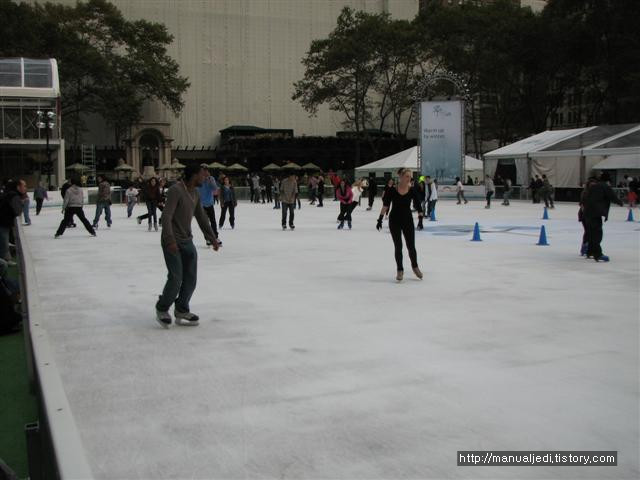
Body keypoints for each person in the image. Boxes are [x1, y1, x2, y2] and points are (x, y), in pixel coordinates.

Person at [155, 165, 220, 328]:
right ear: (194, 175)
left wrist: (212, 238)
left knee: (191, 278)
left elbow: (202, 217)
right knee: (176, 278)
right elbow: (166, 217)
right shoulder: (176, 190)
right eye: (203, 176)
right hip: (172, 240)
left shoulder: (195, 193)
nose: (206, 179)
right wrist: (169, 240)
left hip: (187, 240)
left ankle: (182, 309)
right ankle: (162, 308)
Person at [376, 168, 424, 281]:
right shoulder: (392, 190)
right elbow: (386, 205)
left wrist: (420, 218)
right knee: (398, 247)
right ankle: (400, 270)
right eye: (407, 176)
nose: (409, 178)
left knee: (411, 246)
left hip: (407, 221)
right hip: (394, 221)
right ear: (401, 177)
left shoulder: (412, 190)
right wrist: (380, 219)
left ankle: (415, 267)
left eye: (410, 176)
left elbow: (418, 205)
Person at [582, 172, 623, 262]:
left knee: (591, 233)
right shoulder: (605, 186)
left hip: (587, 213)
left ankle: (590, 252)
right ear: (608, 180)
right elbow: (613, 197)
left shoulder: (594, 186)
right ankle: (598, 254)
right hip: (595, 213)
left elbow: (586, 197)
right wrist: (620, 203)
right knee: (597, 234)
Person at [0, 179, 26, 261]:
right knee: (4, 241)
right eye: (24, 186)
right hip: (3, 222)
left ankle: (6, 258)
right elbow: (18, 211)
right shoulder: (14, 196)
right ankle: (5, 260)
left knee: (5, 241)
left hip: (5, 222)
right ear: (18, 187)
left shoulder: (11, 194)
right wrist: (22, 202)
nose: (25, 188)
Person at [197, 165, 220, 245]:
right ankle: (207, 238)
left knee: (213, 221)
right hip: (201, 204)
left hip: (210, 203)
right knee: (205, 222)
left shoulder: (211, 179)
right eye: (203, 171)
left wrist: (209, 179)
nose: (205, 173)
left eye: (206, 171)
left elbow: (214, 188)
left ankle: (215, 237)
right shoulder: (198, 179)